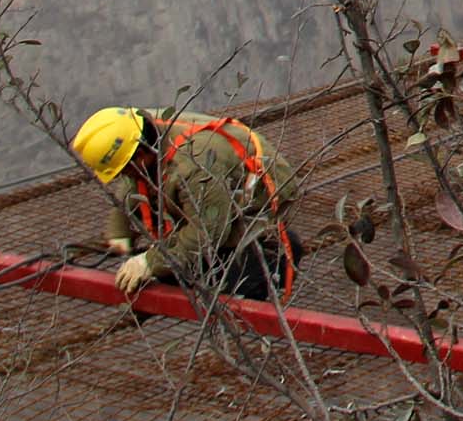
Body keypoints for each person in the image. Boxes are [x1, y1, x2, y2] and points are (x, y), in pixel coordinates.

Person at [73, 106, 300, 302]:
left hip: (261, 190)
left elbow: (209, 231)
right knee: (179, 234)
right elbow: (134, 180)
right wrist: (119, 230)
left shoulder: (192, 165)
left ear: (141, 154)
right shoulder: (138, 130)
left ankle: (271, 257)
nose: (125, 176)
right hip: (213, 182)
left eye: (124, 170)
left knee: (223, 257)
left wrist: (151, 262)